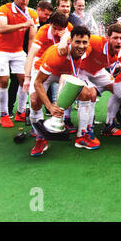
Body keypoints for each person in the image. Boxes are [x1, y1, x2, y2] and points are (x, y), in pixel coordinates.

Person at [30, 25, 98, 156]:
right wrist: (49, 106)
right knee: (35, 101)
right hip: (45, 74)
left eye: (84, 42)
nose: (81, 46)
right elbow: (38, 82)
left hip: (66, 73)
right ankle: (40, 139)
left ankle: (81, 136)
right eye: (77, 42)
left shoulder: (87, 48)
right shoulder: (56, 55)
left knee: (87, 94)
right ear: (70, 41)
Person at [0, 0, 38, 128]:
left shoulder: (32, 13)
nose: (25, 2)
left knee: (24, 80)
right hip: (0, 49)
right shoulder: (4, 9)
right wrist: (23, 24)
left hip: (18, 51)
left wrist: (30, 57)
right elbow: (1, 28)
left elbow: (32, 39)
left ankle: (20, 111)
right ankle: (4, 114)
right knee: (4, 81)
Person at [23, 11, 75, 135]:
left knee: (70, 96)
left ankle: (66, 122)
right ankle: (38, 129)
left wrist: (64, 39)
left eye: (60, 29)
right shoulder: (42, 31)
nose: (57, 32)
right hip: (42, 66)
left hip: (62, 67)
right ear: (50, 24)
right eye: (55, 28)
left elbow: (69, 46)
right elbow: (31, 54)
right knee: (35, 100)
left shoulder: (70, 28)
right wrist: (27, 77)